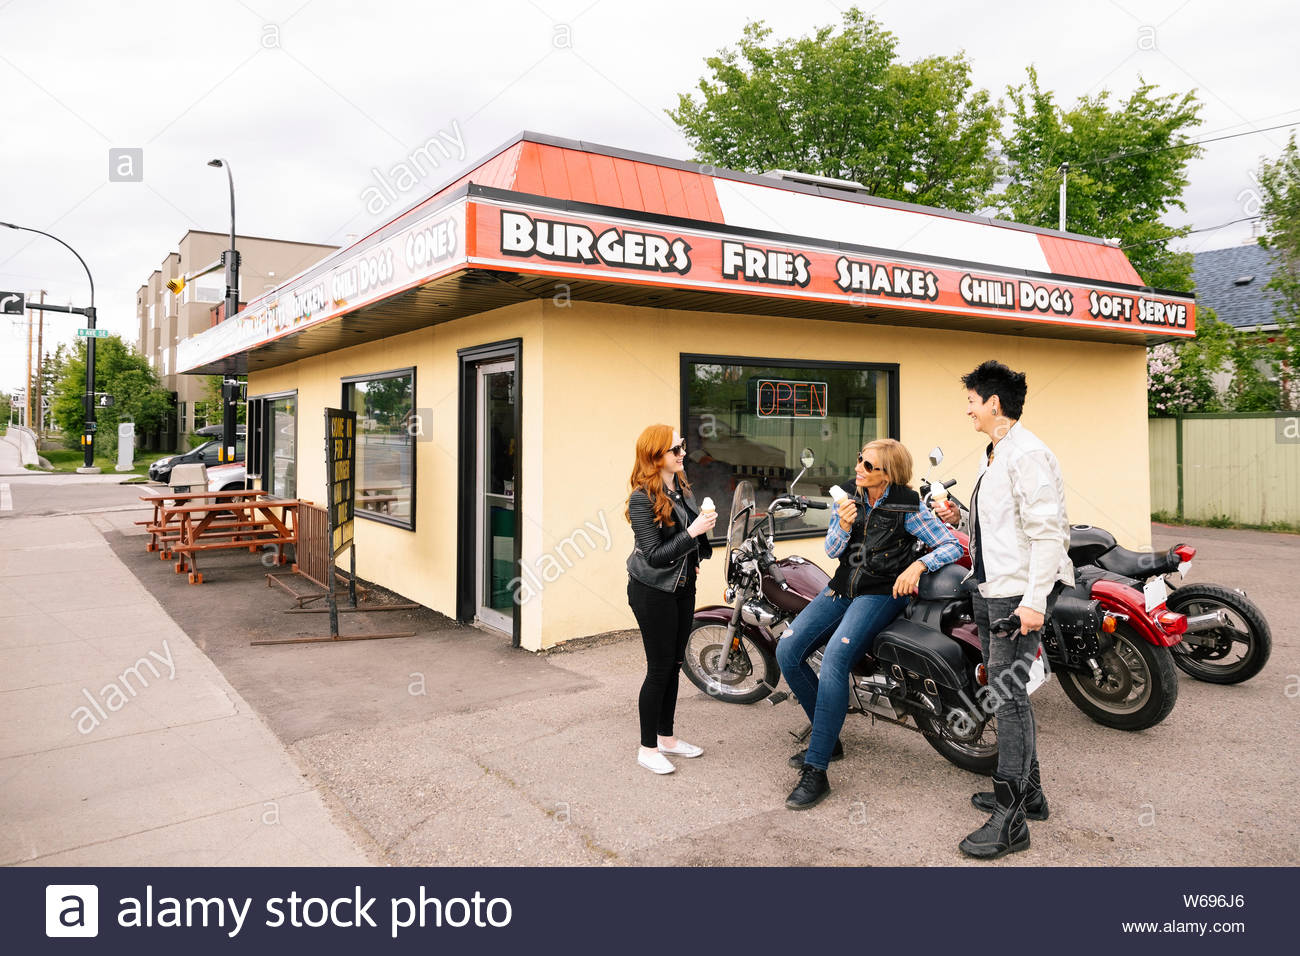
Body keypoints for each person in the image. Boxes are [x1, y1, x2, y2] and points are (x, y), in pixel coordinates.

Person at [775, 438, 963, 810]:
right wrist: (843, 527)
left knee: (834, 661)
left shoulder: (907, 506)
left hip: (881, 593)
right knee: (787, 651)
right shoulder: (848, 497)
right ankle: (828, 739)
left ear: (888, 474)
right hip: (842, 588)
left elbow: (951, 545)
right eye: (860, 459)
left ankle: (817, 769)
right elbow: (831, 551)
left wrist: (917, 565)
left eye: (868, 465)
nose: (858, 468)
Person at [934, 360, 1072, 859]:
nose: (967, 409)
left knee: (1007, 697)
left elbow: (1047, 533)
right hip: (994, 588)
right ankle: (1029, 795)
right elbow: (1002, 527)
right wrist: (960, 516)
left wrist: (1035, 602)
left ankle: (1011, 819)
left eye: (971, 400)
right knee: (1008, 694)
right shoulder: (994, 454)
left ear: (994, 403)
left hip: (1018, 597)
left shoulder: (1028, 454)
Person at [625, 424, 716, 774]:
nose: (681, 454)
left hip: (681, 586)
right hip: (652, 591)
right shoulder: (641, 498)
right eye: (673, 450)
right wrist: (694, 532)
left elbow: (687, 539)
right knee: (660, 668)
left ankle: (667, 738)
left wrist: (697, 547)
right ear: (654, 456)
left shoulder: (681, 487)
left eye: (682, 447)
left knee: (675, 664)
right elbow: (654, 555)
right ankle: (647, 748)